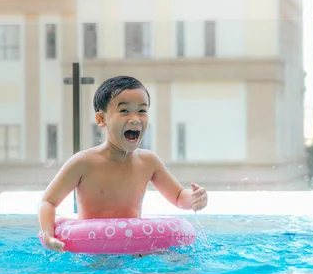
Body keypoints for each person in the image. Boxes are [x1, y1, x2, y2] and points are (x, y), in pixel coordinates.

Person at [38, 75, 208, 252]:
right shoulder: (83, 163)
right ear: (101, 119)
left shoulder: (148, 162)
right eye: (124, 111)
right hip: (94, 254)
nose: (135, 119)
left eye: (142, 111)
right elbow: (48, 201)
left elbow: (179, 196)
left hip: (136, 252)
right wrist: (48, 234)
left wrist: (194, 199)